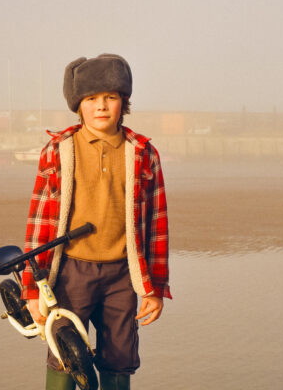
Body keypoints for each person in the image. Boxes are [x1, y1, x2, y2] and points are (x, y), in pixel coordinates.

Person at [21, 53, 171, 390]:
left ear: (123, 102)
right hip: (71, 273)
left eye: (110, 98)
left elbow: (158, 226)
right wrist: (33, 289)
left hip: (123, 275)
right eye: (91, 99)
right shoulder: (58, 150)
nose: (101, 106)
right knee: (64, 354)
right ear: (79, 105)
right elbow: (39, 224)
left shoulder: (143, 152)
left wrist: (155, 288)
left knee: (120, 359)